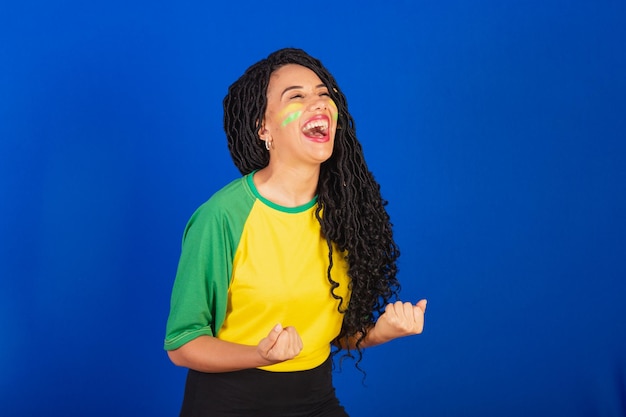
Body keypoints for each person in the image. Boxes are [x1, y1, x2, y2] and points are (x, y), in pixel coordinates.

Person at [164, 47, 427, 417]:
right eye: (297, 97)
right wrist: (259, 354)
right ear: (263, 127)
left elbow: (336, 330)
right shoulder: (221, 217)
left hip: (315, 401)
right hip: (230, 405)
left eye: (324, 94)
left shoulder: (345, 212)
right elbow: (181, 343)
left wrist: (380, 332)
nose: (318, 104)